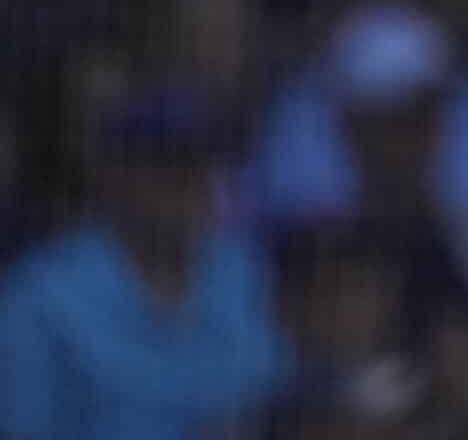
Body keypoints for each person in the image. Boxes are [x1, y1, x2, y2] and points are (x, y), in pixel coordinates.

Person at [0, 84, 291, 439]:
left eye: (205, 167)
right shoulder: (37, 300)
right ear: (113, 177)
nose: (194, 186)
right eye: (171, 168)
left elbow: (276, 400)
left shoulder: (244, 271)